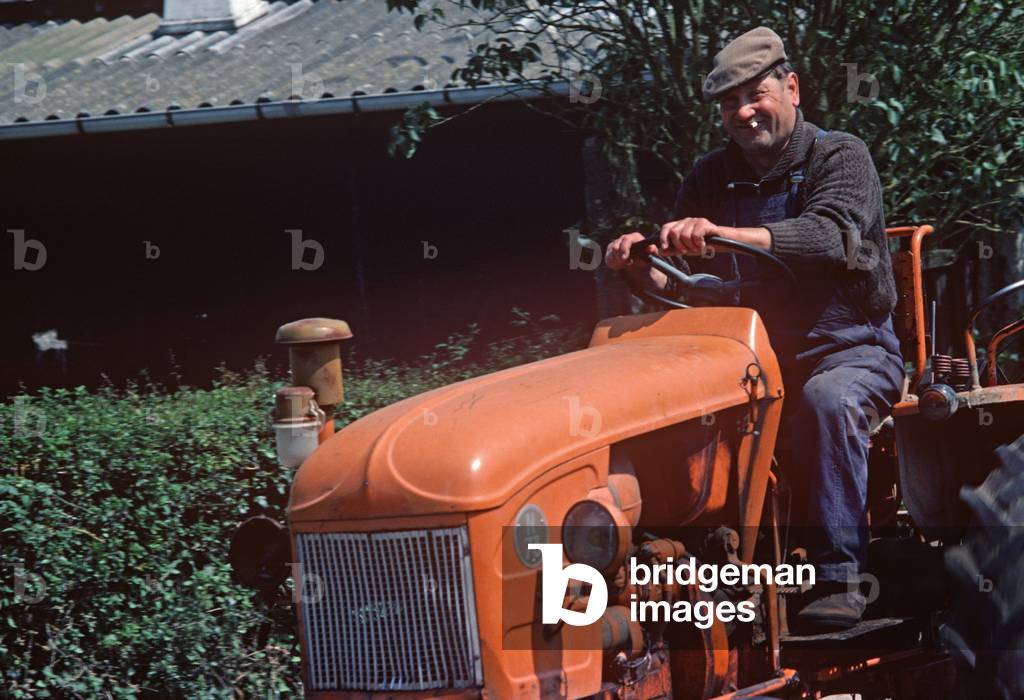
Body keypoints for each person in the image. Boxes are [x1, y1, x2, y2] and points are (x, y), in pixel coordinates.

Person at [604, 26, 905, 632]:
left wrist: (726, 235)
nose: (743, 112)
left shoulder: (840, 157)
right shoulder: (713, 173)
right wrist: (642, 262)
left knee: (826, 402)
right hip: (744, 360)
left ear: (791, 87)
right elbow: (678, 280)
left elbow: (830, 239)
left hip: (848, 351)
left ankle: (838, 576)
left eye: (756, 94)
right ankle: (667, 574)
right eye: (728, 103)